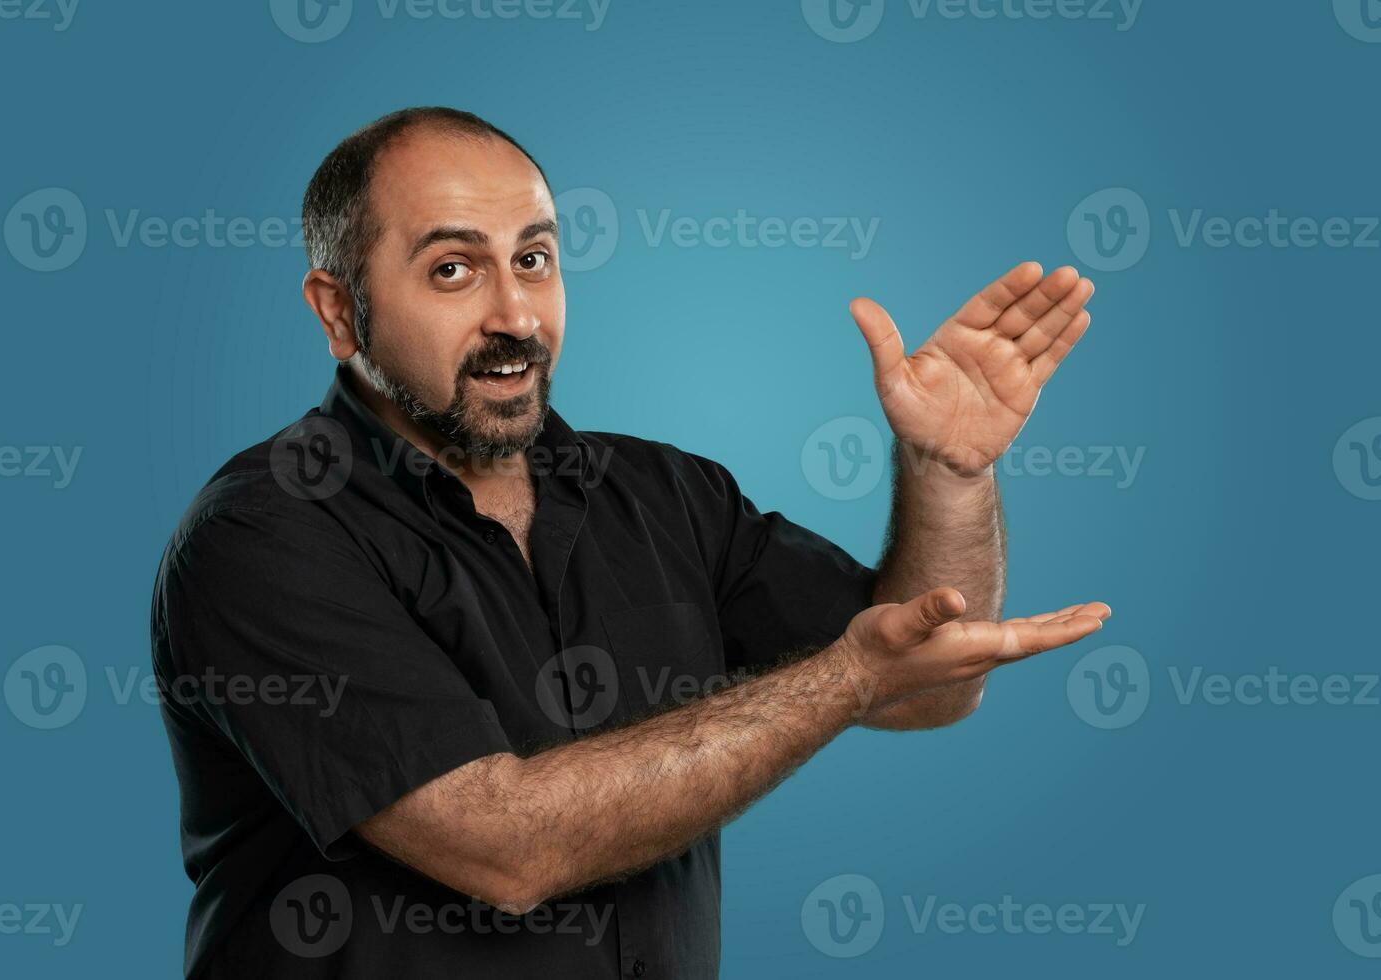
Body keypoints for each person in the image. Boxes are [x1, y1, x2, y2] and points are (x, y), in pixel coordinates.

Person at [149, 105, 1109, 979]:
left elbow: (930, 682)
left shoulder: (664, 494)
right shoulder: (261, 534)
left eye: (533, 259)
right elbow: (506, 845)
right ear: (338, 310)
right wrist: (842, 680)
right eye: (453, 268)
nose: (515, 316)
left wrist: (948, 470)